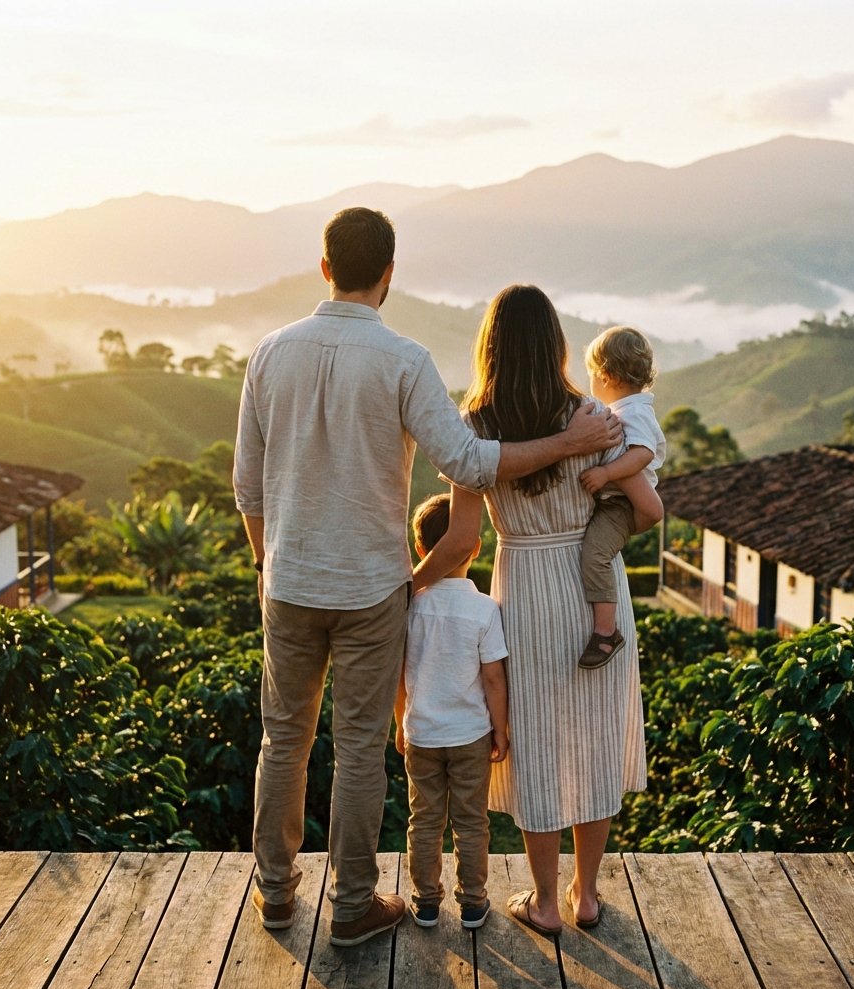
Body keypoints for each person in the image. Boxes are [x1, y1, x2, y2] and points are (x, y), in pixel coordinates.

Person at [233, 210, 622, 947]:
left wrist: (267, 563)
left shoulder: (268, 354)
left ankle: (277, 895)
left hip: (288, 582)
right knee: (355, 747)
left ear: (323, 268)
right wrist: (571, 442)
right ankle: (351, 904)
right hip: (373, 587)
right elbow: (471, 464)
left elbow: (248, 491)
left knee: (282, 740)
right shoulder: (403, 359)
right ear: (388, 273)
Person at [413, 283, 659, 938]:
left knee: (541, 745)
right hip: (594, 583)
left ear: (489, 347)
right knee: (596, 737)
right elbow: (644, 507)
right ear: (555, 344)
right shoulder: (595, 418)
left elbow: (463, 543)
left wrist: (409, 585)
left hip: (522, 589)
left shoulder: (475, 430)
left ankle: (544, 901)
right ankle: (586, 896)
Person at [395, 493, 509, 931]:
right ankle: (474, 903)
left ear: (420, 550)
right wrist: (500, 731)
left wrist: (400, 723)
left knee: (423, 820)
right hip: (470, 735)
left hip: (422, 733)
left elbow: (399, 676)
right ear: (475, 547)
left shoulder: (409, 608)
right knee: (470, 822)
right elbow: (495, 680)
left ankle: (425, 903)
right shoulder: (483, 609)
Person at [577, 326, 666, 669]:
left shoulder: (633, 413)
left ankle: (605, 631)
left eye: (591, 376)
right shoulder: (627, 408)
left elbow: (641, 454)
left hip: (622, 504)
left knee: (595, 555)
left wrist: (606, 474)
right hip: (617, 501)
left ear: (606, 375)